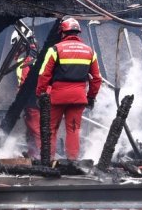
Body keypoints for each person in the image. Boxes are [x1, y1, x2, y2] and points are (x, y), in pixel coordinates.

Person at [35, 17, 101, 161]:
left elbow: (44, 74)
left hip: (57, 97)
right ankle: (72, 162)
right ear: (78, 33)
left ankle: (48, 161)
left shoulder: (55, 50)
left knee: (50, 130)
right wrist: (91, 97)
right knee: (73, 130)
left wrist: (40, 94)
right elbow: (96, 78)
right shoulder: (90, 52)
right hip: (78, 98)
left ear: (62, 32)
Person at [12, 20, 41, 158]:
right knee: (32, 129)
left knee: (35, 129)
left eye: (16, 48)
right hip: (36, 97)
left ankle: (40, 156)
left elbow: (23, 82)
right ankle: (33, 153)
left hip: (31, 99)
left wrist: (19, 102)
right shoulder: (35, 58)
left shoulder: (25, 61)